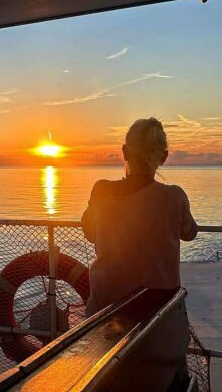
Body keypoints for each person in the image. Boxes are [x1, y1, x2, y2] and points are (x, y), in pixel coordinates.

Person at [81, 117, 198, 316]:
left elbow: (90, 233)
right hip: (159, 309)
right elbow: (190, 233)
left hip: (106, 308)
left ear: (125, 152)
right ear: (164, 157)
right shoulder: (174, 196)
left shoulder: (101, 190)